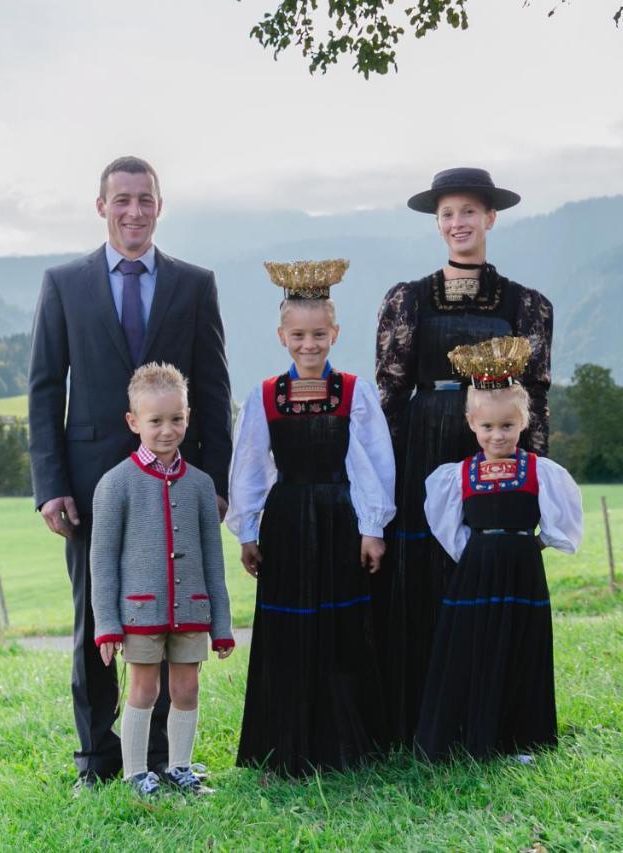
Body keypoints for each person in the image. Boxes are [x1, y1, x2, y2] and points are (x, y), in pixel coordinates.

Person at [27, 156, 233, 793]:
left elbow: (216, 386)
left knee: (170, 616)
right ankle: (97, 758)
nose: (134, 212)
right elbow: (41, 388)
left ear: (160, 205)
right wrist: (50, 484)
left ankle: (168, 760)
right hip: (91, 486)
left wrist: (217, 479)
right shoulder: (64, 284)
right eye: (122, 200)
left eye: (145, 199)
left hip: (177, 479)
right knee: (96, 618)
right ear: (101, 206)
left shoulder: (194, 285)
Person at [372, 167, 554, 744]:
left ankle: (493, 717)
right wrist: (387, 481)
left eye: (469, 211)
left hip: (500, 451)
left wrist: (536, 482)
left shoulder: (528, 304)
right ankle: (423, 720)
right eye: (448, 213)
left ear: (491, 218)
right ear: (437, 221)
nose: (458, 223)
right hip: (424, 446)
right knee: (424, 574)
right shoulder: (406, 300)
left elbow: (538, 398)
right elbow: (390, 395)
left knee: (488, 573)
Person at [227, 260, 395, 775]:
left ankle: (344, 742)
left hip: (340, 517)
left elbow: (371, 463)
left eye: (319, 334)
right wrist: (248, 530)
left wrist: (372, 528)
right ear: (281, 335)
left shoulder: (354, 391)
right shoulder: (264, 397)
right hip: (288, 520)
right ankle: (285, 742)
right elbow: (250, 466)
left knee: (342, 627)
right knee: (289, 631)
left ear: (335, 333)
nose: (309, 344)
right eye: (298, 334)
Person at [416, 336, 582, 761]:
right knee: (476, 648)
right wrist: (479, 555)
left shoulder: (539, 471)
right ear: (471, 423)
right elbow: (451, 532)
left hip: (523, 570)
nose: (497, 435)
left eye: (506, 426)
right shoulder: (457, 476)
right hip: (476, 572)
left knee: (520, 650)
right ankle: (473, 737)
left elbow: (561, 527)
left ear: (522, 422)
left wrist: (531, 545)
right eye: (487, 427)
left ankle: (519, 740)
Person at [91, 363, 234, 797]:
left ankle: (180, 767)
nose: (167, 430)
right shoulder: (116, 485)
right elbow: (102, 559)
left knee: (186, 688)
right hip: (140, 610)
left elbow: (213, 559)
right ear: (134, 422)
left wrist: (222, 625)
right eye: (155, 421)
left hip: (191, 607)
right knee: (144, 688)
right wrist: (107, 625)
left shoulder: (201, 486)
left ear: (188, 417)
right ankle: (136, 772)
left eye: (176, 419)